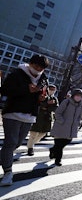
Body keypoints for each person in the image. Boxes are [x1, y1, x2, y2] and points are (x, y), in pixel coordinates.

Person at [0, 54, 49, 186]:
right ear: (30, 63)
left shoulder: (43, 79)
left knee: (17, 143)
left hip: (30, 115)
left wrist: (42, 99)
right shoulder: (17, 73)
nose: (38, 69)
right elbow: (4, 90)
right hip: (13, 112)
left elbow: (43, 96)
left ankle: (4, 158)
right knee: (10, 143)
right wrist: (25, 89)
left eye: (41, 67)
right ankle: (8, 173)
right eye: (36, 66)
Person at [49, 88, 82, 166]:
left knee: (66, 142)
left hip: (71, 129)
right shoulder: (66, 102)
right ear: (73, 95)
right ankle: (58, 160)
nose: (78, 97)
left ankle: (52, 150)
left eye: (80, 96)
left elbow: (79, 117)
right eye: (77, 95)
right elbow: (58, 113)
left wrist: (77, 124)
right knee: (59, 145)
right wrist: (62, 121)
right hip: (60, 127)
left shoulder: (81, 106)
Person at [27, 84, 59, 156]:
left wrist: (47, 108)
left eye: (53, 89)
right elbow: (38, 104)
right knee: (33, 133)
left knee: (42, 134)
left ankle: (31, 143)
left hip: (47, 118)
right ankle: (30, 148)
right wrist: (46, 104)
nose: (52, 90)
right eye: (50, 89)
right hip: (38, 116)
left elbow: (55, 108)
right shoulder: (42, 95)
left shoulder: (54, 99)